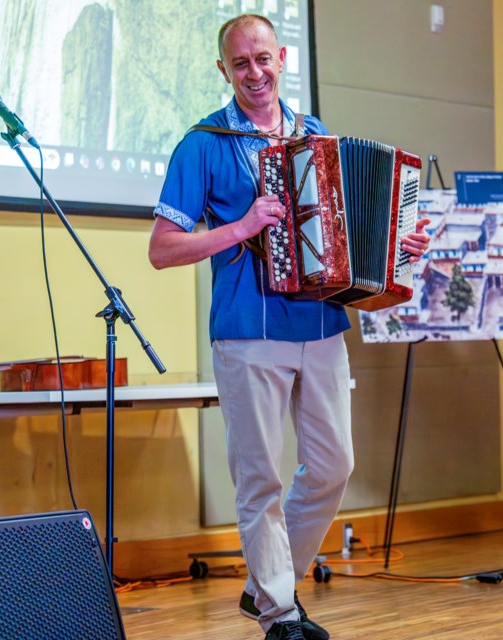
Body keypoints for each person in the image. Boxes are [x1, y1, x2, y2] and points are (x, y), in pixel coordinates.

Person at [147, 14, 430, 640]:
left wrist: (394, 246)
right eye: (239, 64)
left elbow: (340, 234)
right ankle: (280, 613)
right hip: (248, 329)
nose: (254, 73)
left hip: (322, 323)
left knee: (334, 466)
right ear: (224, 71)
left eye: (262, 60)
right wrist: (244, 226)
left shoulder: (316, 134)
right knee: (261, 478)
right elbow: (163, 248)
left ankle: (265, 587)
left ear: (281, 59)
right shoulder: (203, 143)